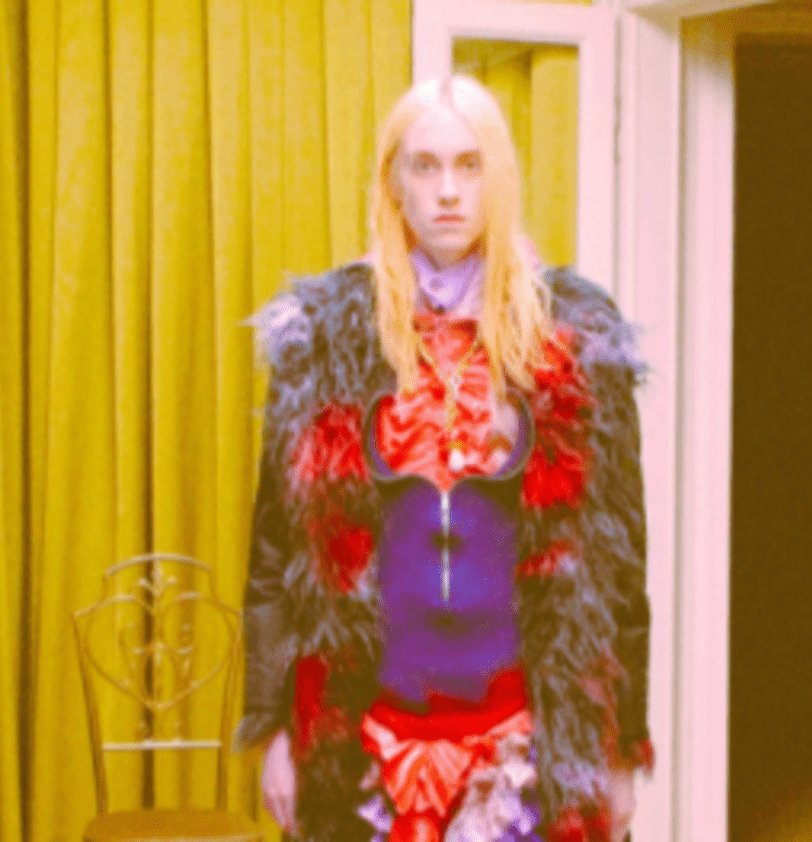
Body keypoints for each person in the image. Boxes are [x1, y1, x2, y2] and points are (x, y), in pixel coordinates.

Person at [236, 74, 653, 842]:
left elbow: (620, 569)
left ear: (501, 178)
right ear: (393, 181)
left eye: (469, 165)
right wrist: (275, 731)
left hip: (525, 755)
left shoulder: (576, 333)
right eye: (424, 166)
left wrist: (623, 747)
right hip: (365, 752)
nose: (448, 191)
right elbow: (275, 558)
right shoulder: (326, 336)